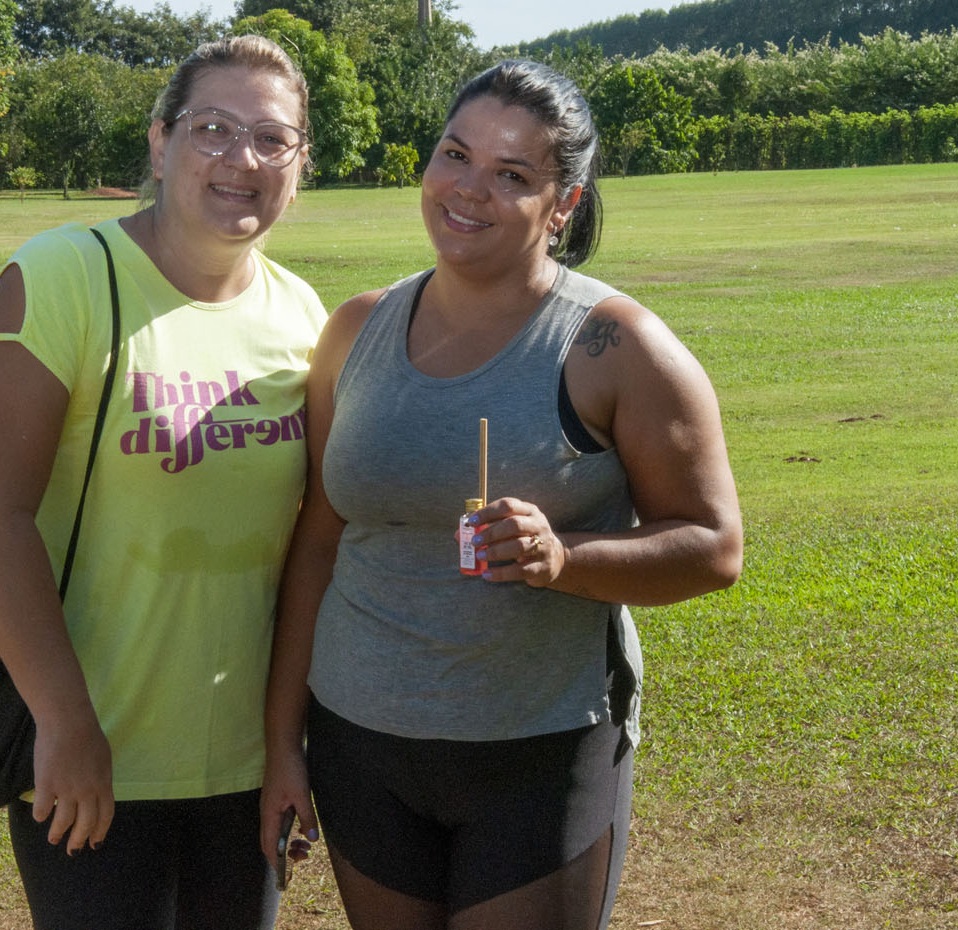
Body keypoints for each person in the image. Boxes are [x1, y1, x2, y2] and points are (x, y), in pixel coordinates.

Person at [259, 59, 743, 930]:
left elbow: (713, 547)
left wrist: (562, 558)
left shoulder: (613, 346)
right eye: (456, 154)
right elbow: (319, 543)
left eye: (513, 175)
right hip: (359, 743)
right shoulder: (356, 330)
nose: (469, 189)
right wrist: (282, 744)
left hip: (539, 749)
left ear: (564, 204)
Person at [0, 35, 326, 930]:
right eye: (212, 129)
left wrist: (285, 747)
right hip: (90, 759)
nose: (242, 159)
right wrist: (65, 722)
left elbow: (309, 549)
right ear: (160, 143)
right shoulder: (61, 278)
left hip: (242, 772)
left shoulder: (303, 317)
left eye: (272, 139)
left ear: (299, 166)